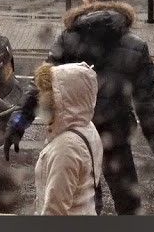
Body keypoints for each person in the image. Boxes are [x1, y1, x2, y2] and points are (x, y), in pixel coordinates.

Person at [4, 0, 154, 215]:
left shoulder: (69, 39)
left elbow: (42, 83)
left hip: (76, 131)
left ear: (91, 3)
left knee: (85, 199)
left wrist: (17, 123)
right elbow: (149, 104)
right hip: (116, 134)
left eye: (83, 1)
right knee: (129, 204)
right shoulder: (136, 46)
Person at [32, 61, 104, 215]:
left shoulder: (66, 148)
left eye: (49, 92)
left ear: (62, 99)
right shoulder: (87, 127)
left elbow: (55, 211)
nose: (41, 99)